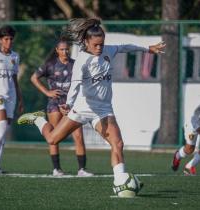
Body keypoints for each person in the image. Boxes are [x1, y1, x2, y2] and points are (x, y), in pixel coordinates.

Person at [17, 18, 165, 197]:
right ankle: (38, 118)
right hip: (82, 108)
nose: (99, 48)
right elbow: (75, 86)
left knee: (117, 143)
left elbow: (125, 46)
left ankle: (120, 182)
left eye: (102, 44)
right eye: (96, 45)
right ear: (86, 42)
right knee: (52, 140)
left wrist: (148, 49)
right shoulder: (82, 60)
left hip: (103, 109)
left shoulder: (108, 50)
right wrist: (68, 105)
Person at [30, 36, 93, 177]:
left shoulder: (75, 64)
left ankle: (82, 169)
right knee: (54, 136)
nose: (65, 52)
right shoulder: (50, 64)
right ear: (57, 50)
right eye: (62, 49)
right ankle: (56, 169)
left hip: (71, 104)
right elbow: (33, 78)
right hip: (55, 103)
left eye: (67, 49)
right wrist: (47, 92)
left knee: (78, 136)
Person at [0, 25, 23, 173]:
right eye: (6, 39)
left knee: (3, 132)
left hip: (11, 97)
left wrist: (20, 99)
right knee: (2, 126)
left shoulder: (15, 56)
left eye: (11, 39)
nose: (9, 42)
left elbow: (15, 79)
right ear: (0, 40)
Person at [172, 105, 200, 175]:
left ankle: (189, 167)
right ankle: (178, 155)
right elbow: (193, 119)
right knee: (189, 150)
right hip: (193, 125)